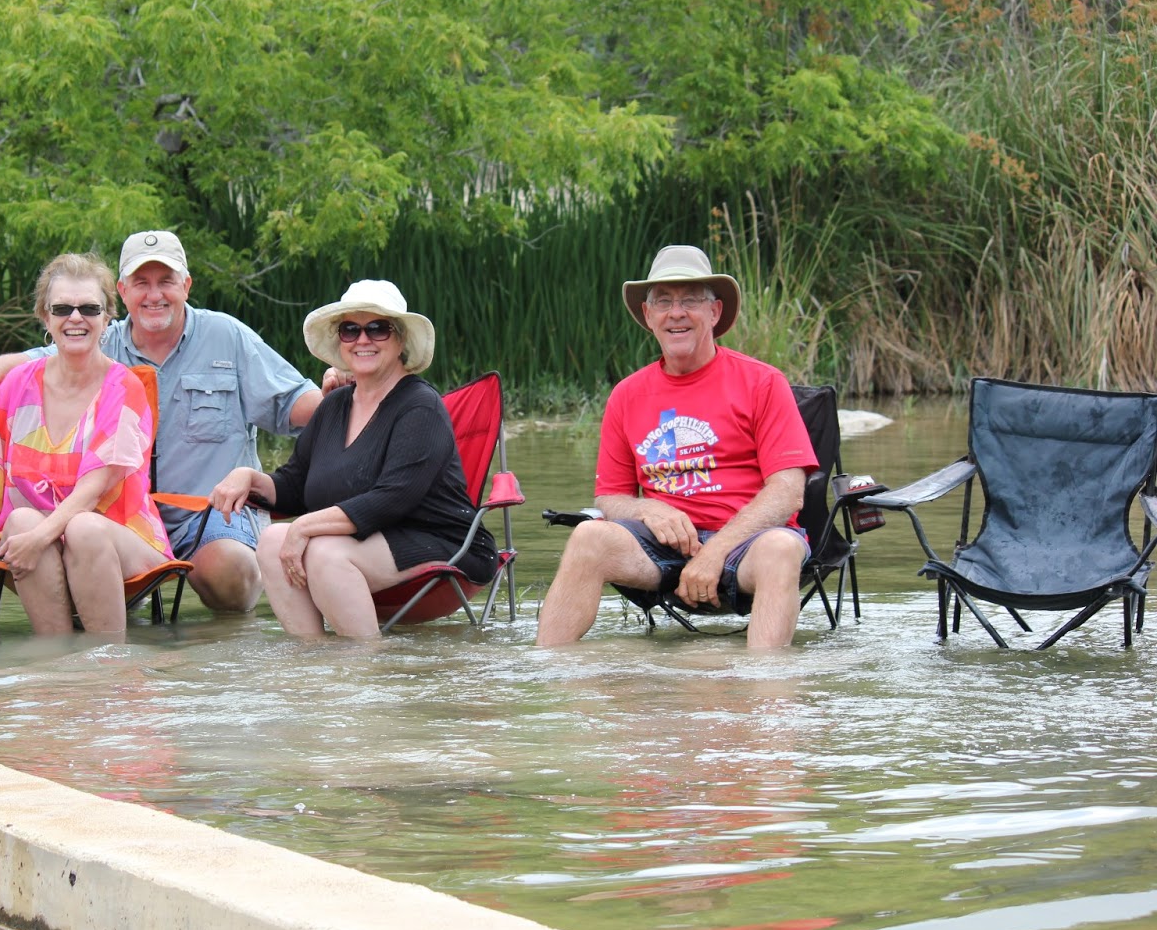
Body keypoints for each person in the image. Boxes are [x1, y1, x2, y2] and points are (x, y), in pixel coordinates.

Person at [0, 230, 322, 613]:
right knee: (79, 538)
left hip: (211, 516)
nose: (154, 294)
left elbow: (294, 402)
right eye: (141, 283)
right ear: (122, 291)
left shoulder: (226, 335)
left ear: (187, 285)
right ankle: (79, 659)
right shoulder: (94, 340)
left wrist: (349, 396)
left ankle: (217, 652)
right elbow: (36, 360)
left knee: (229, 574)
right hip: (116, 519)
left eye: (166, 282)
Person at [536, 245, 817, 649]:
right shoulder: (626, 395)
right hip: (661, 549)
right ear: (648, 316)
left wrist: (715, 551)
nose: (676, 312)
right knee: (588, 537)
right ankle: (551, 673)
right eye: (663, 301)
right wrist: (648, 508)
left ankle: (767, 691)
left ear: (715, 312)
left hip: (747, 547)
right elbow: (611, 497)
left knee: (781, 547)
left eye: (690, 300)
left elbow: (789, 490)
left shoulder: (763, 382)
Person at [208, 280, 496, 637]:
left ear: (401, 339)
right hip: (363, 542)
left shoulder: (421, 407)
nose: (363, 339)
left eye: (378, 328)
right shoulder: (333, 406)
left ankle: (363, 672)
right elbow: (295, 486)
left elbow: (392, 499)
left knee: (325, 553)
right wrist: (247, 476)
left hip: (440, 540)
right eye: (350, 329)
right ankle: (314, 662)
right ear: (340, 340)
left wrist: (303, 527)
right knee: (270, 540)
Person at [0, 253, 173, 638]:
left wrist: (38, 539)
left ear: (107, 319)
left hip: (120, 539)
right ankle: (54, 672)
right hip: (33, 545)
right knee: (19, 520)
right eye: (62, 308)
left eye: (89, 308)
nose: (75, 318)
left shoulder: (124, 388)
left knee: (84, 528)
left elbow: (92, 493)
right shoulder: (16, 385)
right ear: (45, 317)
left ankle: (110, 667)